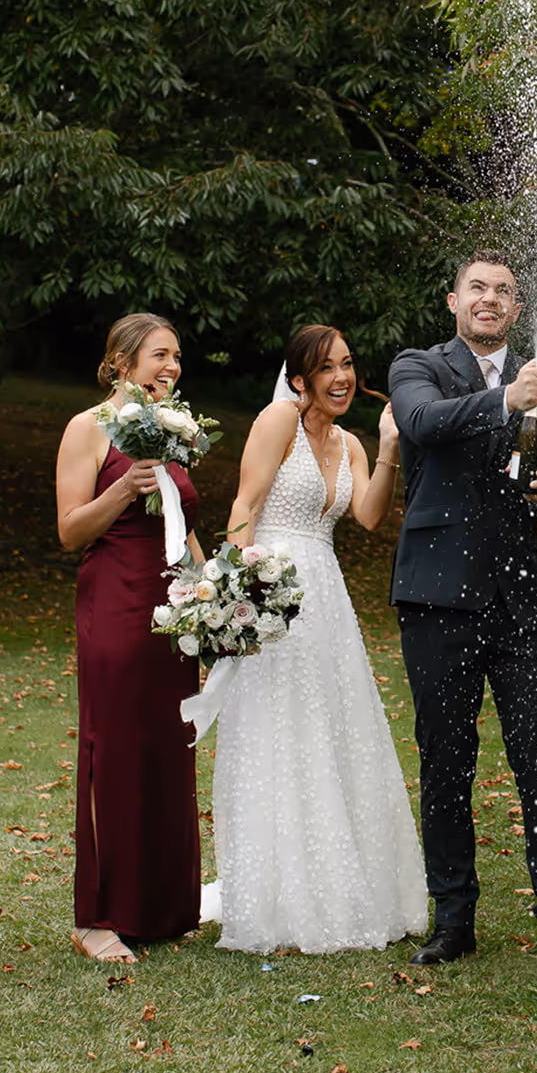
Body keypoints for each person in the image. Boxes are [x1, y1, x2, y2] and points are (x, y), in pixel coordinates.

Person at [388, 249, 537, 972]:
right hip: (437, 598)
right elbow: (422, 424)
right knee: (446, 763)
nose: (489, 299)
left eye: (503, 291)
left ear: (516, 307)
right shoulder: (418, 367)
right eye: (476, 287)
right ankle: (453, 919)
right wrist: (506, 400)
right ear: (454, 301)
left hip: (521, 602)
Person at [200, 325, 427, 953]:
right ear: (299, 379)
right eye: (326, 367)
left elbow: (370, 515)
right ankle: (276, 896)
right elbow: (244, 507)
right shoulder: (279, 420)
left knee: (333, 730)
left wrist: (388, 446)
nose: (342, 377)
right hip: (273, 594)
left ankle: (337, 884)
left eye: (347, 364)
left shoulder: (350, 441)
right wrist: (236, 602)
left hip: (326, 600)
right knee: (279, 733)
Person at [55, 313, 206, 963]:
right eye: (159, 356)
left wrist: (214, 593)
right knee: (115, 749)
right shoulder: (88, 427)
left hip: (175, 610)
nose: (171, 367)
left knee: (168, 750)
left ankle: (165, 908)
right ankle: (99, 917)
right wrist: (121, 488)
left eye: (177, 357)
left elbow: (184, 521)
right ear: (122, 363)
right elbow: (69, 530)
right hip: (116, 602)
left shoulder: (176, 428)